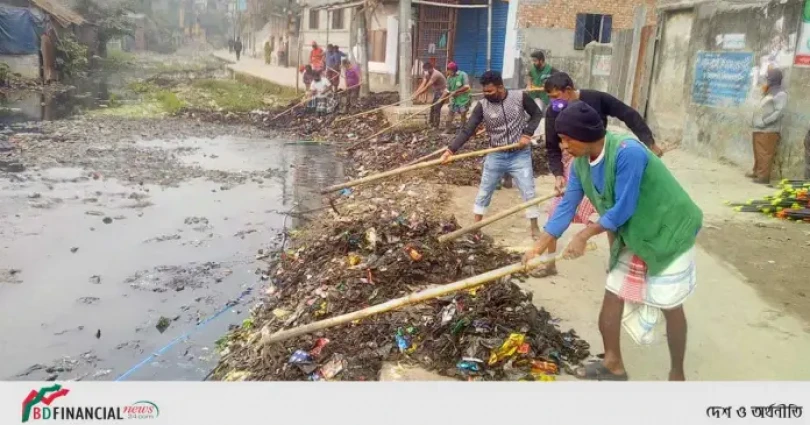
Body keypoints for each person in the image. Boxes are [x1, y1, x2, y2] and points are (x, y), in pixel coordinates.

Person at [523, 101, 702, 381]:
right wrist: (539, 246)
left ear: (585, 135)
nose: (564, 146)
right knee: (613, 292)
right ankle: (613, 364)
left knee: (669, 303)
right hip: (634, 232)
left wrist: (584, 235)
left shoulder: (627, 152)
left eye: (567, 139)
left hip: (669, 230)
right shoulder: (581, 163)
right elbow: (567, 204)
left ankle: (677, 374)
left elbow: (623, 207)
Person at [538, 72, 663, 276]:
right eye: (549, 98)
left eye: (555, 97)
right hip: (574, 163)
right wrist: (558, 173)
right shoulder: (554, 112)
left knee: (611, 213)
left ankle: (617, 262)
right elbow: (552, 147)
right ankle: (549, 263)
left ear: (568, 91)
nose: (552, 103)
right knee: (558, 210)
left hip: (601, 160)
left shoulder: (596, 99)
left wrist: (649, 142)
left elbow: (627, 114)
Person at [440, 71, 543, 238]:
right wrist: (450, 150)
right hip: (496, 154)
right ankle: (477, 226)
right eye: (484, 91)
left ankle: (534, 226)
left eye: (490, 91)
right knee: (484, 190)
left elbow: (537, 114)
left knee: (528, 190)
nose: (486, 95)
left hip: (520, 154)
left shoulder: (519, 97)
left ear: (500, 87)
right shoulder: (482, 106)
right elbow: (468, 130)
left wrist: (527, 133)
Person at [748, 67, 788, 184]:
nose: (766, 79)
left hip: (769, 129)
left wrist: (764, 122)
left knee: (765, 153)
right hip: (759, 127)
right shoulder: (768, 91)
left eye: (768, 77)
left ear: (774, 79)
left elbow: (779, 113)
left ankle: (763, 177)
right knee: (758, 151)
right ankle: (756, 171)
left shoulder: (781, 94)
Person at [412, 62, 448, 128]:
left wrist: (417, 95)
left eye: (426, 70)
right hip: (437, 92)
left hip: (443, 92)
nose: (425, 72)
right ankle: (431, 124)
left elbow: (427, 87)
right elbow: (423, 84)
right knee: (432, 107)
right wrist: (416, 93)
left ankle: (435, 126)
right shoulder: (427, 74)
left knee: (436, 108)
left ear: (431, 68)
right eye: (424, 70)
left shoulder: (435, 74)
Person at [444, 61, 471, 132]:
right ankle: (447, 128)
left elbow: (466, 86)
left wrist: (456, 91)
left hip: (463, 98)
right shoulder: (449, 78)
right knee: (450, 112)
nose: (448, 73)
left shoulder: (463, 75)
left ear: (453, 70)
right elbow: (447, 90)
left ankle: (462, 129)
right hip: (454, 99)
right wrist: (441, 98)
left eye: (449, 71)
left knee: (463, 113)